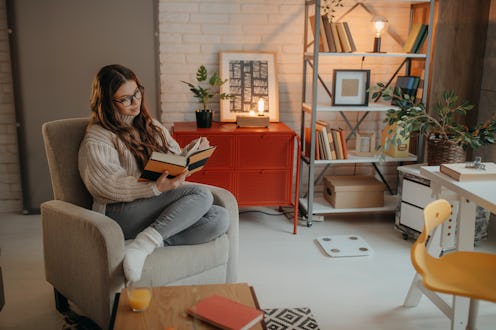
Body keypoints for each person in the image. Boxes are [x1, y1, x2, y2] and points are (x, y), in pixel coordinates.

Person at [78, 64, 230, 282]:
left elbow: (172, 158)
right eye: (125, 99)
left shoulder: (151, 126)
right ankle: (144, 244)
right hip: (118, 212)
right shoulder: (98, 136)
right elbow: (104, 185)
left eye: (137, 93)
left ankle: (150, 242)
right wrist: (154, 187)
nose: (135, 102)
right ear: (106, 103)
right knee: (202, 195)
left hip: (150, 203)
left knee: (219, 218)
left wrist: (191, 154)